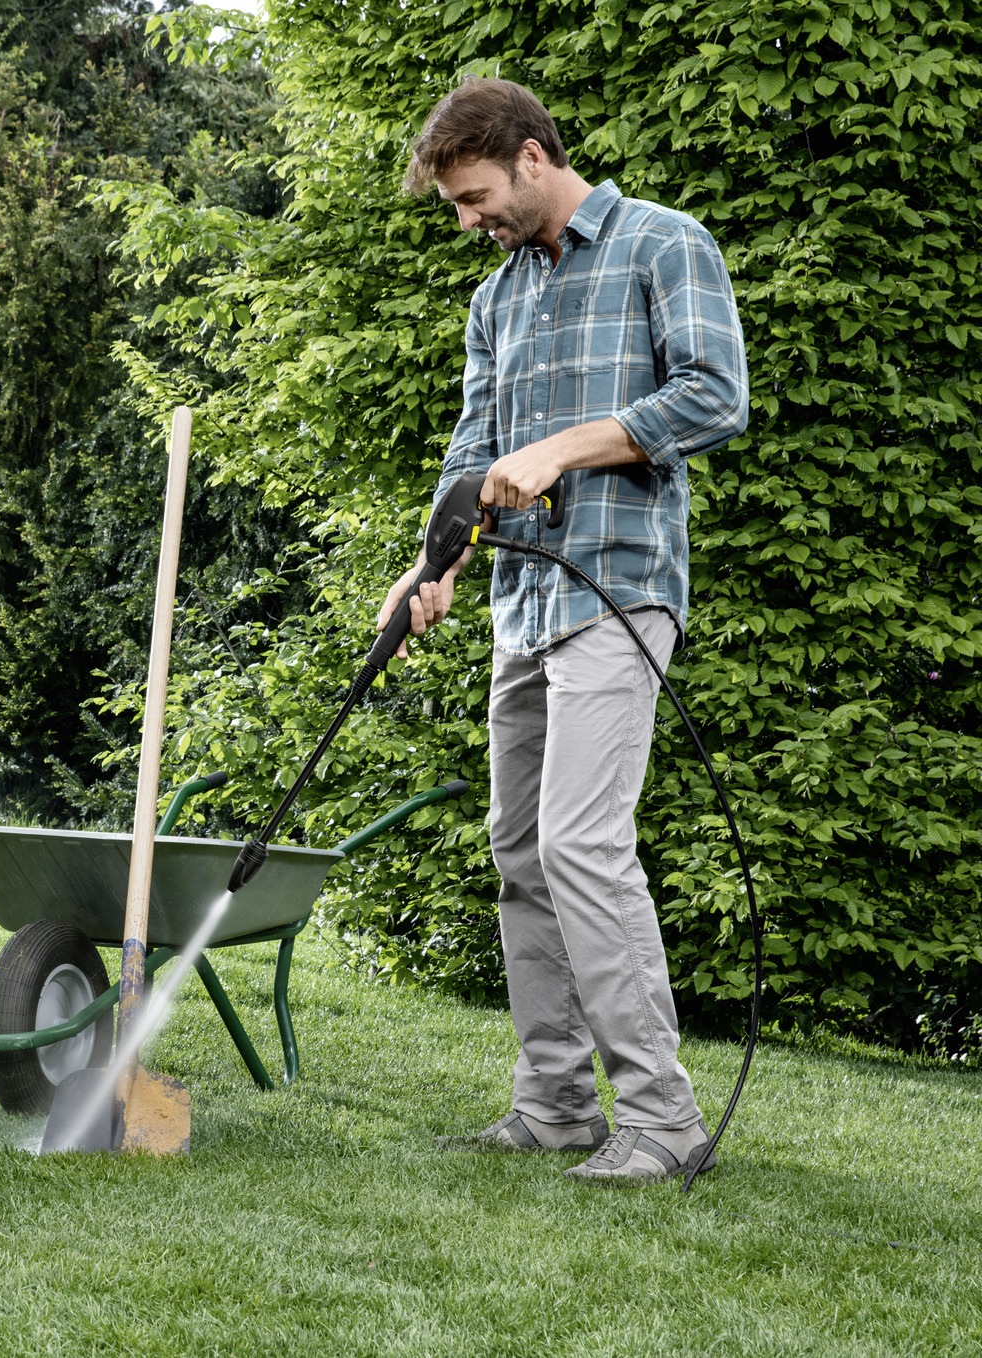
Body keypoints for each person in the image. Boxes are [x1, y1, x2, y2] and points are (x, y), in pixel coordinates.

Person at [382, 77, 749, 1182]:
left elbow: (714, 395)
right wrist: (430, 560)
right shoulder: (495, 298)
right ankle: (553, 1102)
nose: (468, 220)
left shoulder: (660, 246)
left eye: (477, 196)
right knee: (518, 855)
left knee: (582, 844)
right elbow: (470, 448)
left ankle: (665, 1120)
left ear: (533, 158)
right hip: (523, 605)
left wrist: (569, 446)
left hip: (618, 590)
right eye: (455, 204)